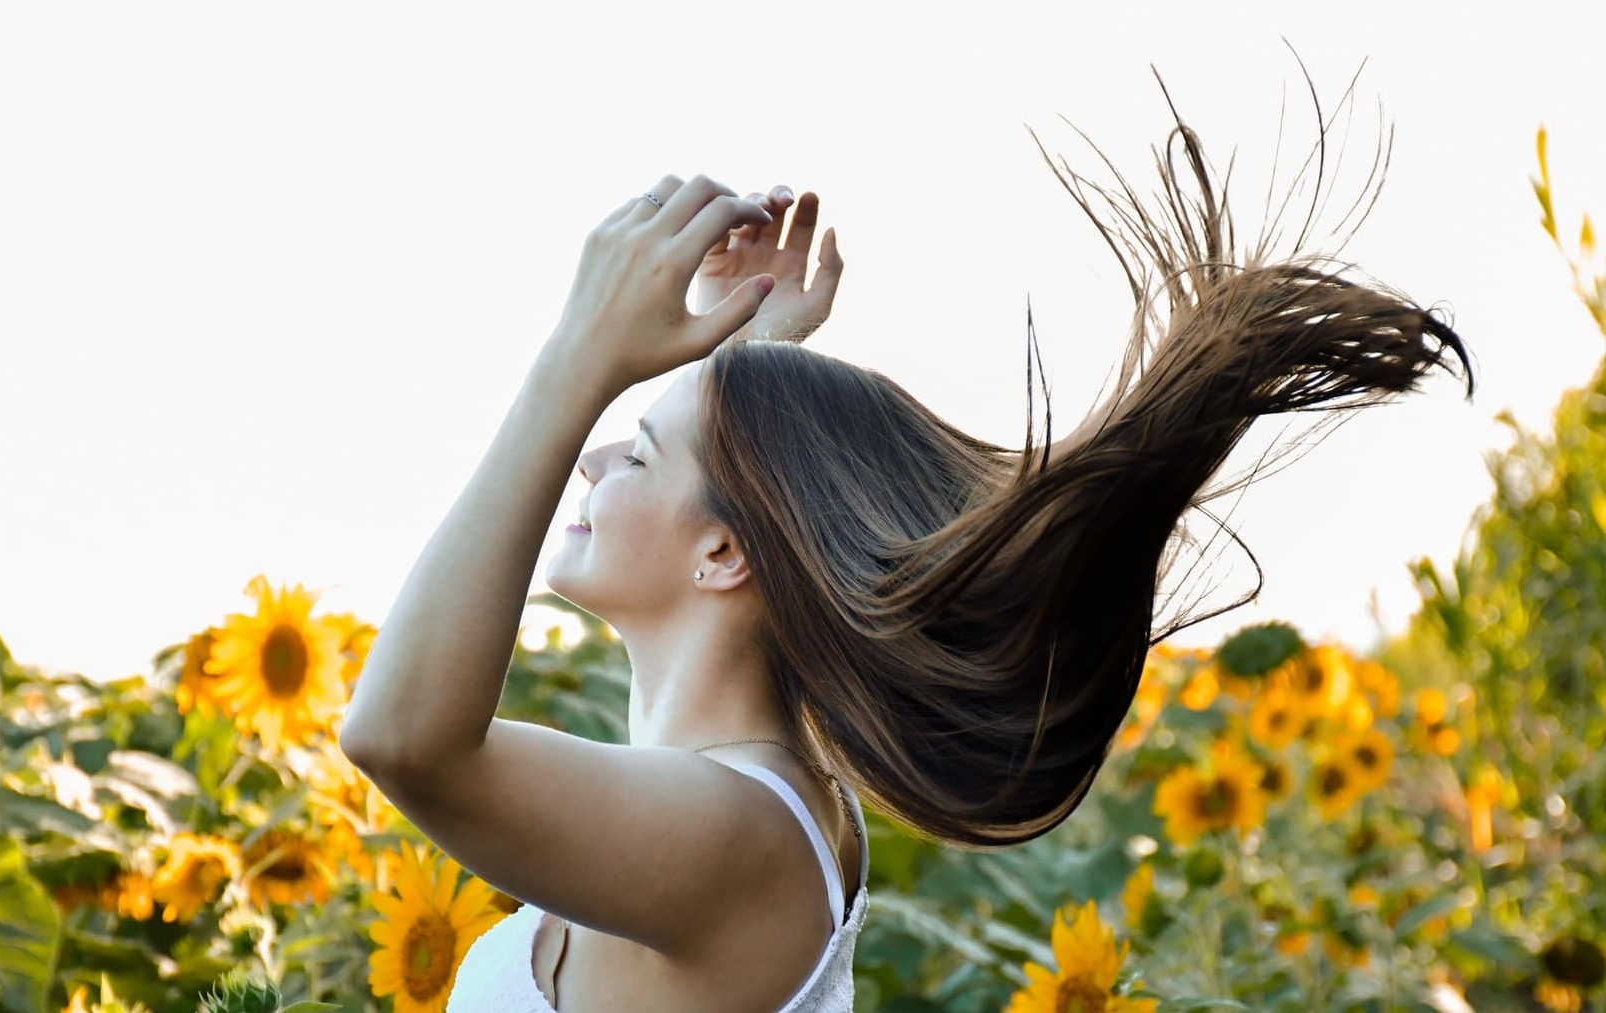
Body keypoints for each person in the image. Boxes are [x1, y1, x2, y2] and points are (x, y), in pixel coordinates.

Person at [340, 99, 1473, 1011]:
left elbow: (403, 735)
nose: (588, 461)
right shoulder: (745, 809)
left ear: (727, 551)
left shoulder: (744, 835)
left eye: (633, 450)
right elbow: (733, 509)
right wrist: (752, 376)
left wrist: (576, 357)